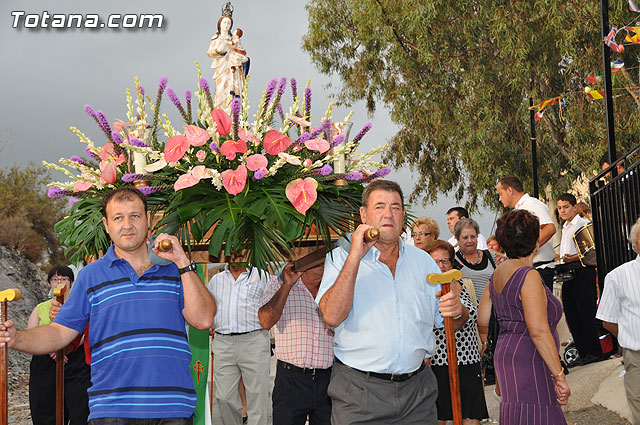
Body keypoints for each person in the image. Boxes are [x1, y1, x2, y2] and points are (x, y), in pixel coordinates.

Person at [1, 187, 216, 423]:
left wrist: (183, 261)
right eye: (118, 218)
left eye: (135, 216)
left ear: (148, 220)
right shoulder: (91, 276)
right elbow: (59, 332)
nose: (127, 225)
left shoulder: (177, 270)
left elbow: (203, 319)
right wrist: (17, 339)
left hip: (172, 408)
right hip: (112, 410)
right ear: (106, 224)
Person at [316, 179, 466, 424]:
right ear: (363, 215)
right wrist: (355, 255)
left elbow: (449, 321)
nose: (388, 214)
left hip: (418, 394)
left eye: (395, 207)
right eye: (379, 207)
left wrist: (457, 311)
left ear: (403, 215)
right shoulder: (341, 258)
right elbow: (331, 316)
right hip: (359, 395)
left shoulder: (424, 262)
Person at [478, 209, 570, 424]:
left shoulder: (497, 274)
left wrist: (486, 340)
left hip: (506, 354)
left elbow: (483, 319)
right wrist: (559, 375)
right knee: (539, 413)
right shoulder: (528, 275)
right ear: (534, 241)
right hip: (531, 355)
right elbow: (538, 330)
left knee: (520, 413)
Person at [259, 259, 333, 425]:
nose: (321, 258)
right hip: (291, 380)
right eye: (314, 252)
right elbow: (265, 322)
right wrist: (286, 285)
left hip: (329, 380)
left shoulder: (336, 286)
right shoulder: (279, 283)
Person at [425, 240, 488, 425]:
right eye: (435, 261)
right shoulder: (424, 291)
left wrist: (483, 342)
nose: (441, 265)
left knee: (471, 414)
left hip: (468, 361)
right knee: (440, 416)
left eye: (445, 261)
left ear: (452, 263)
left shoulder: (464, 285)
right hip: (438, 363)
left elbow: (471, 318)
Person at [207, 253, 271, 425]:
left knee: (257, 399)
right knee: (224, 397)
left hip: (254, 341)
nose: (236, 254)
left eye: (242, 249)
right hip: (223, 342)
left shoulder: (262, 276)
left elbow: (272, 308)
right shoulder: (216, 280)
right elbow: (211, 308)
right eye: (231, 249)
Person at [27, 265, 90, 425]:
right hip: (45, 362)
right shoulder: (40, 308)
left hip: (75, 360)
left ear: (71, 282)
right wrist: (50, 346)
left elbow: (84, 329)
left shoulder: (79, 305)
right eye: (55, 279)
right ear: (50, 283)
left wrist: (67, 346)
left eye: (63, 279)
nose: (59, 282)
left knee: (79, 411)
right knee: (45, 412)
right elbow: (32, 333)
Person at [596, 217, 640, 424]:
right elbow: (608, 320)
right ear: (635, 245)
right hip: (636, 355)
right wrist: (628, 338)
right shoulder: (617, 277)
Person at [556, 193, 602, 366]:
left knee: (586, 312)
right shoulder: (565, 226)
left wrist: (573, 258)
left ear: (575, 207)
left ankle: (594, 351)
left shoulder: (582, 224)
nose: (562, 211)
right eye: (559, 208)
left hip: (582, 270)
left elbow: (591, 250)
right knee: (572, 312)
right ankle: (583, 352)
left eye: (566, 207)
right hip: (568, 272)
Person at [496, 176, 557, 290]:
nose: (500, 199)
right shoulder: (519, 209)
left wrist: (526, 251)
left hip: (539, 268)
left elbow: (549, 228)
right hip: (527, 268)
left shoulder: (532, 204)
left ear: (510, 190)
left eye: (500, 194)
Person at [207, 11, 250, 112]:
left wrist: (243, 59)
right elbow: (209, 53)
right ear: (220, 24)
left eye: (228, 23)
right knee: (221, 89)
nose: (226, 25)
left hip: (233, 69)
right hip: (222, 68)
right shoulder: (215, 39)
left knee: (233, 90)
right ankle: (220, 115)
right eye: (224, 22)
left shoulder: (234, 39)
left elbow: (241, 51)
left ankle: (233, 116)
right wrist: (219, 50)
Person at [453, 218, 497, 300]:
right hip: (469, 311)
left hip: (494, 310)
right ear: (457, 239)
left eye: (473, 237)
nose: (470, 241)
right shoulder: (453, 261)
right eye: (465, 237)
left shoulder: (491, 256)